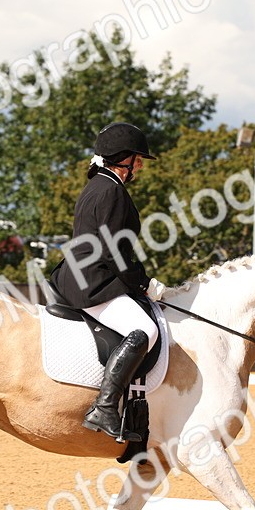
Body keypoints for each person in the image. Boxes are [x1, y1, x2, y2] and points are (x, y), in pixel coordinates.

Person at [50, 122, 166, 442]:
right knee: (145, 331)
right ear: (122, 158)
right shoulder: (112, 190)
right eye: (137, 159)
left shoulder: (98, 186)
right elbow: (114, 249)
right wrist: (142, 283)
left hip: (80, 274)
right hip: (95, 281)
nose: (140, 166)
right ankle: (104, 407)